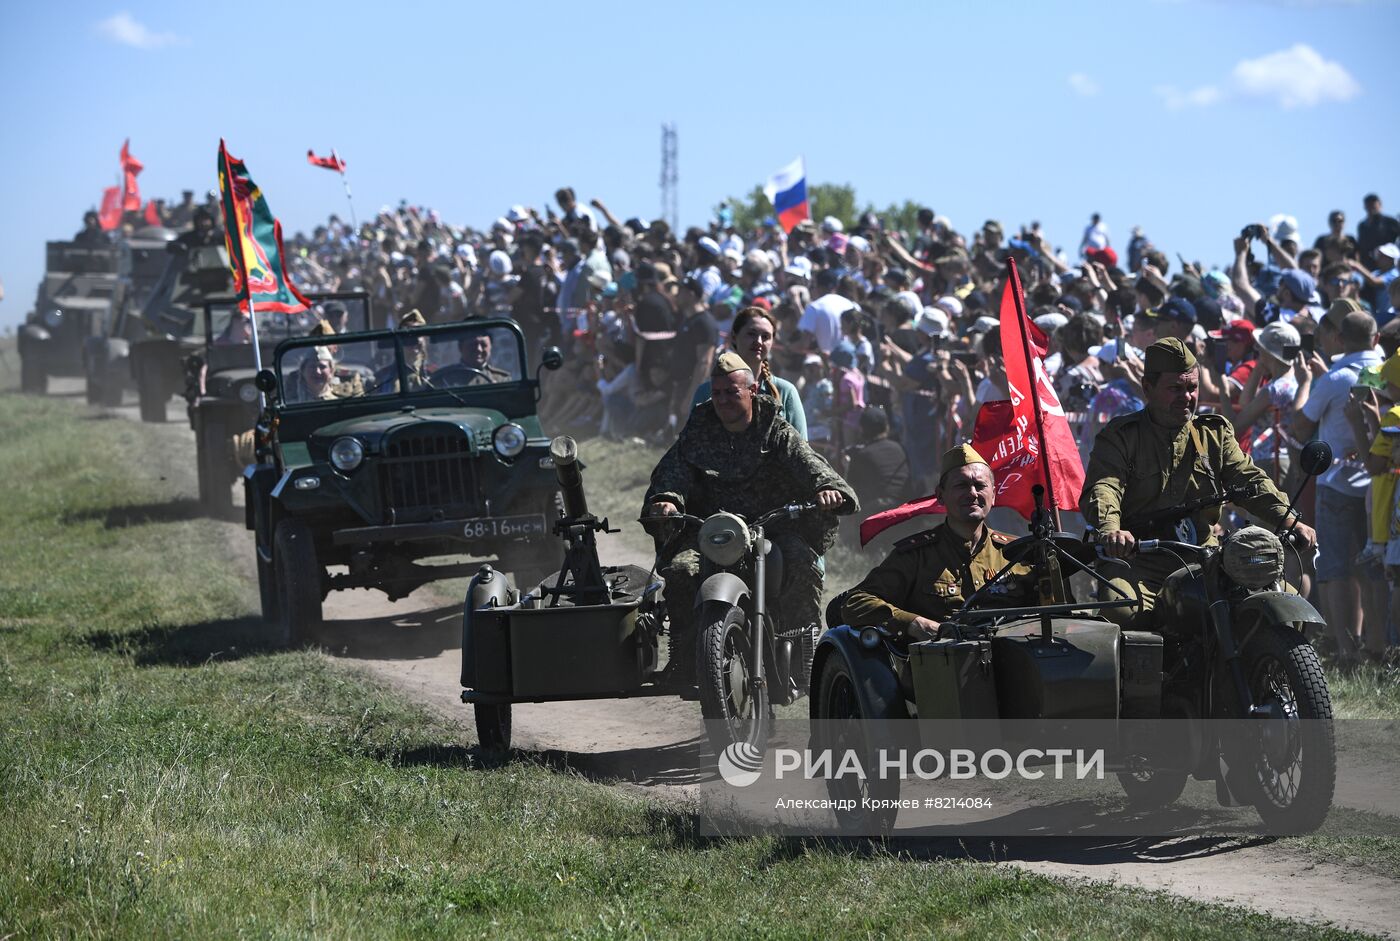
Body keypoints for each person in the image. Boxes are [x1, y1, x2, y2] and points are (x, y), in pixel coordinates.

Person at [643, 352, 857, 680]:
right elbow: (673, 472)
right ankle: (686, 656)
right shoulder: (698, 430)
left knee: (800, 561)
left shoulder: (775, 430)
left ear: (752, 390)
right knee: (681, 571)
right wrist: (666, 501)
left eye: (732, 392)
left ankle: (803, 658)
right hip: (712, 532)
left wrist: (826, 489)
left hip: (773, 528)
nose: (724, 400)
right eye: (717, 393)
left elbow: (810, 463)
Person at [1081, 338, 1316, 629]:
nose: (1186, 396)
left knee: (1285, 606)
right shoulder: (1121, 437)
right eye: (1175, 388)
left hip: (1207, 559)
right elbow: (1105, 487)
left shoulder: (1213, 435)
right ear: (1147, 389)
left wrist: (1290, 520)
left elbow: (1249, 479)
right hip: (1139, 561)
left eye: (1192, 388)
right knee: (1123, 610)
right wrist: (1112, 530)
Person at [842, 444, 1036, 640]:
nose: (972, 493)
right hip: (942, 664)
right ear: (941, 496)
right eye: (961, 485)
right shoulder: (916, 555)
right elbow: (856, 602)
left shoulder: (1019, 553)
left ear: (993, 495)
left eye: (980, 486)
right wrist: (913, 623)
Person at [1295, 308, 1385, 660]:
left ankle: (1343, 646)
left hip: (1337, 482)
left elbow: (1301, 426)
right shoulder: (1384, 373)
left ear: (1341, 340)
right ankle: (1372, 644)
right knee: (1372, 569)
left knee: (1334, 567)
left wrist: (1308, 383)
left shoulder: (1335, 378)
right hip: (1377, 484)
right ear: (1376, 339)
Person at [690, 306, 807, 438]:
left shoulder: (785, 392)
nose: (758, 342)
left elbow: (802, 450)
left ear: (773, 343)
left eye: (765, 336)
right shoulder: (707, 391)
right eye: (751, 334)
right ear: (734, 337)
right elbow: (690, 446)